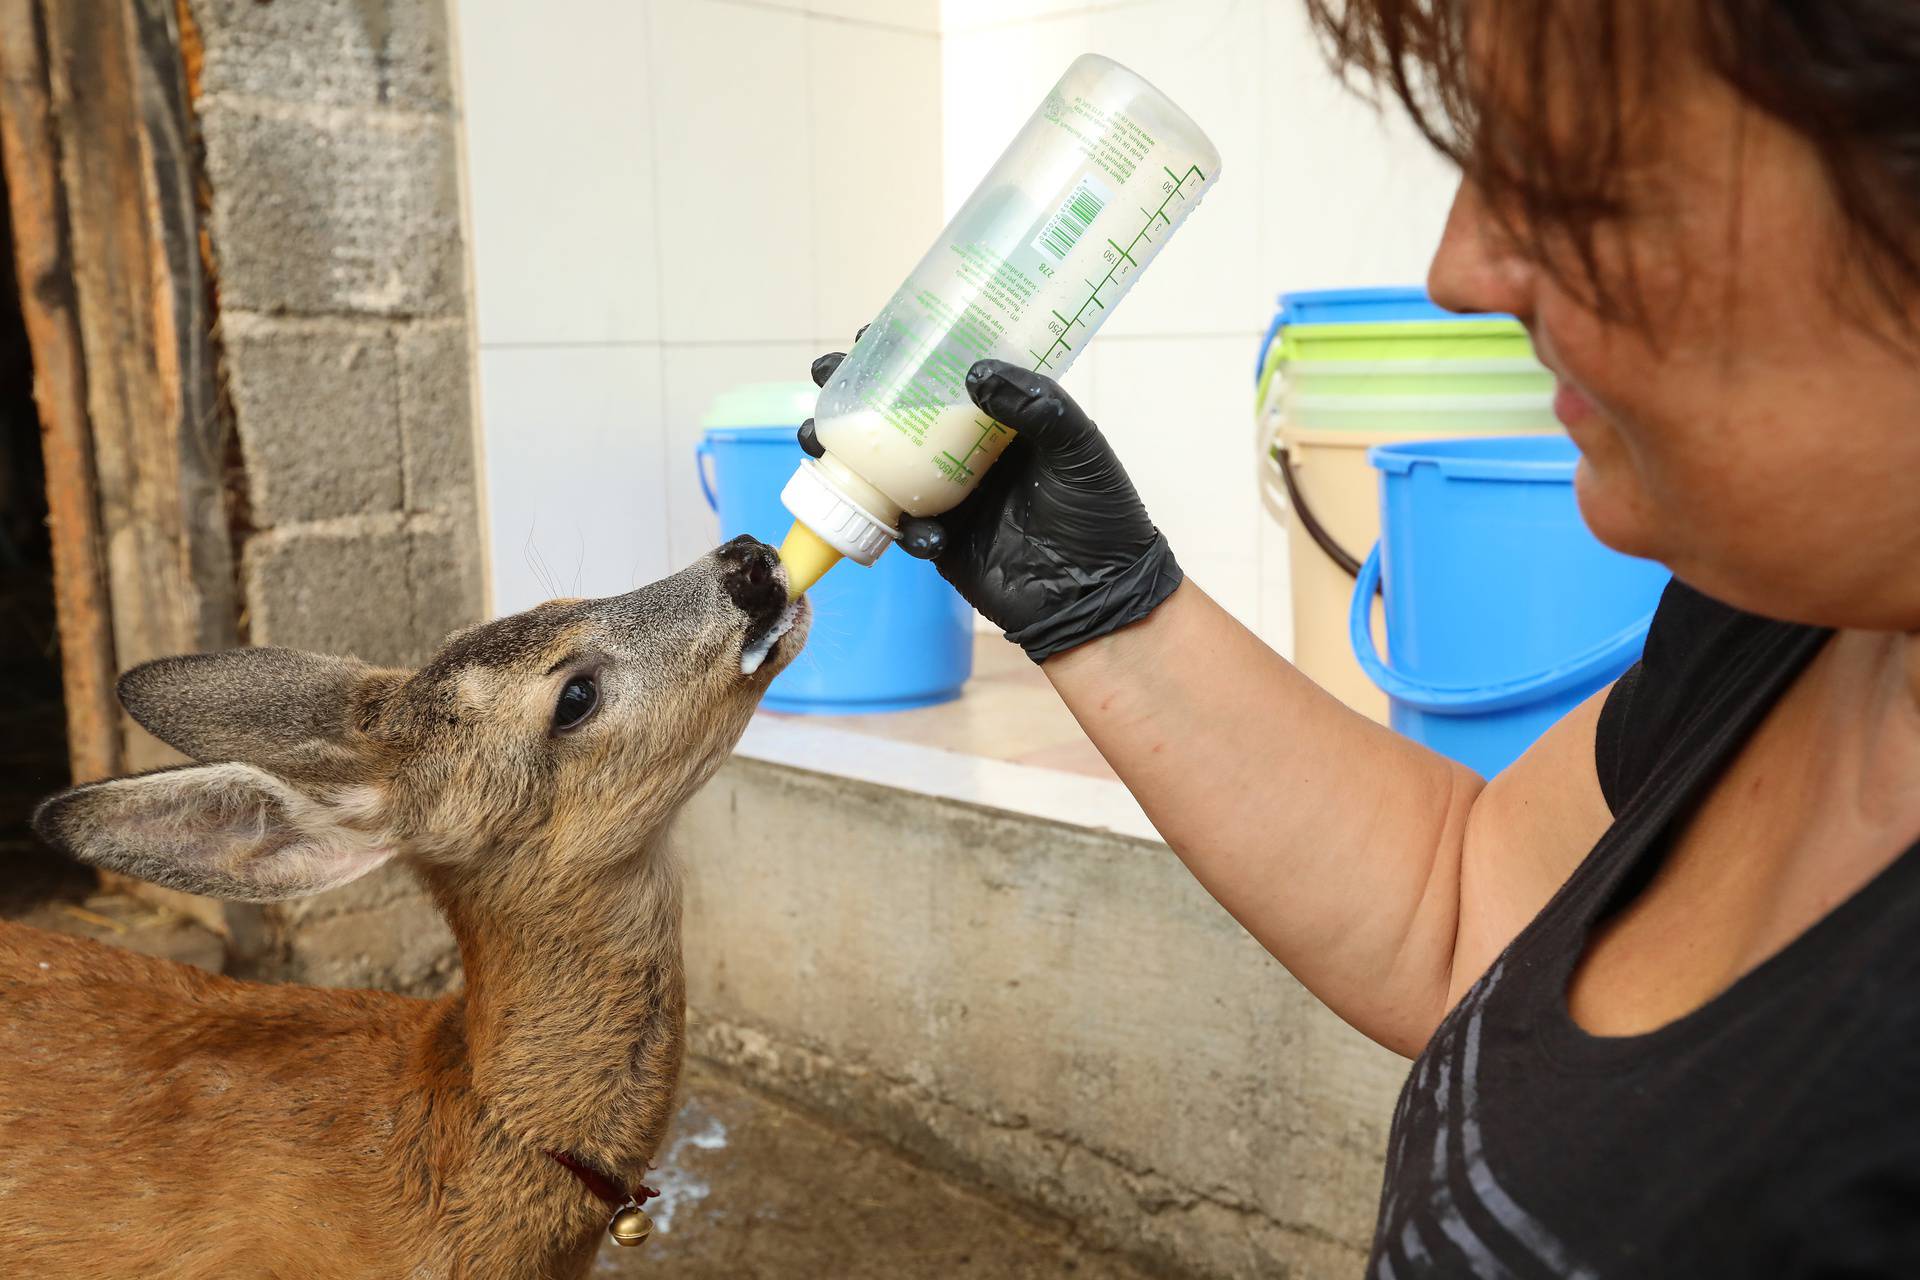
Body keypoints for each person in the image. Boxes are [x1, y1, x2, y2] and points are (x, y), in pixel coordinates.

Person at [804, 2, 1920, 1274]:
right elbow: (1462, 901)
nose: (1461, 266)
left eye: (1586, 175)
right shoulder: (1790, 630)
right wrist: (1103, 605)